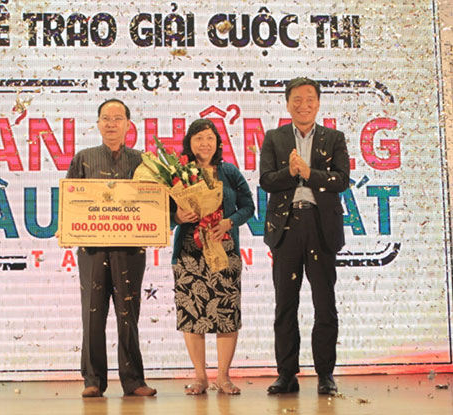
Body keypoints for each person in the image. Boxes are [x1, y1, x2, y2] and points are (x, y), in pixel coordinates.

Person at [259, 78, 350, 395]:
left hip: (321, 226)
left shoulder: (334, 138)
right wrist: (291, 172)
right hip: (286, 227)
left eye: (310, 99)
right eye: (297, 99)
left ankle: (325, 374)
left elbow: (342, 180)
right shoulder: (274, 138)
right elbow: (267, 180)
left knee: (325, 303)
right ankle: (286, 374)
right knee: (285, 304)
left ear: (318, 103)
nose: (304, 105)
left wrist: (309, 173)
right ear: (287, 104)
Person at [65, 99, 156, 398]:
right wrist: (67, 224)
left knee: (128, 313)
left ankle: (134, 380)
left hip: (130, 248)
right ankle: (93, 380)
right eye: (106, 118)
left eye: (118, 118)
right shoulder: (83, 158)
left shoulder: (143, 162)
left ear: (129, 124)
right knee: (92, 313)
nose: (112, 123)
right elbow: (70, 200)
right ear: (98, 123)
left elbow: (154, 201)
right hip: (92, 248)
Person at [171, 119, 255, 395]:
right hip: (189, 253)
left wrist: (229, 222)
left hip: (224, 251)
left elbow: (248, 206)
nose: (204, 143)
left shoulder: (229, 171)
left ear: (218, 143)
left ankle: (223, 377)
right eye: (198, 138)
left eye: (209, 138)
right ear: (189, 143)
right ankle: (200, 377)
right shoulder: (179, 174)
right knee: (192, 315)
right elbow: (165, 213)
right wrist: (178, 216)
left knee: (226, 315)